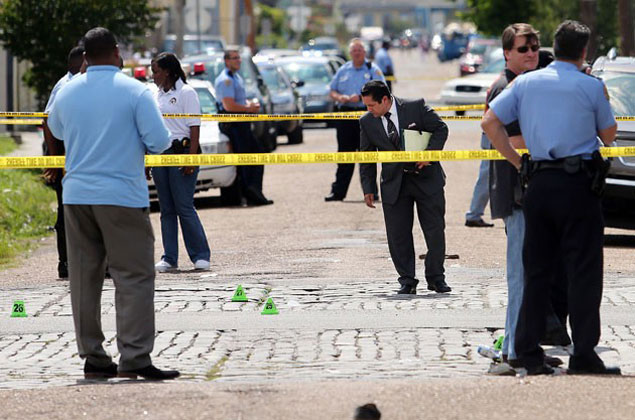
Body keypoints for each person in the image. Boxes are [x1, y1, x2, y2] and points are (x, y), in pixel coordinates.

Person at [482, 20, 619, 375]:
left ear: (553, 48)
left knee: (536, 271)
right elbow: (608, 134)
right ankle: (584, 354)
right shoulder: (591, 86)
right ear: (584, 51)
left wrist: (518, 162)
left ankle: (526, 351)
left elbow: (489, 123)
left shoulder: (526, 83)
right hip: (578, 186)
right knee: (583, 272)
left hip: (538, 183)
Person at [47, 27, 179, 380]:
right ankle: (135, 355)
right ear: (117, 52)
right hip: (121, 196)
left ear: (86, 56)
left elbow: (57, 131)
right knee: (133, 275)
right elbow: (159, 142)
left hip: (76, 197)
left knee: (83, 278)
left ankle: (93, 356)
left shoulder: (67, 90)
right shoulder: (136, 92)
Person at [360, 80, 451, 295]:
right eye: (366, 106)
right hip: (394, 184)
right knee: (398, 235)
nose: (368, 110)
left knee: (435, 231)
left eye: (371, 105)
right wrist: (368, 187)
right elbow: (366, 157)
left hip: (427, 180)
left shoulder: (415, 107)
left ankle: (436, 277)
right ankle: (407, 280)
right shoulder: (367, 122)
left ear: (385, 100)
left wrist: (429, 154)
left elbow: (441, 128)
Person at [149, 52, 211, 273]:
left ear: (167, 71)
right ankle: (169, 257)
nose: (153, 76)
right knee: (166, 208)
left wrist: (191, 158)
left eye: (155, 71)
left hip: (182, 150)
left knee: (184, 206)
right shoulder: (155, 95)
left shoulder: (187, 92)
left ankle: (201, 255)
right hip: (160, 154)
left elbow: (195, 128)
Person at [42, 45, 85, 279]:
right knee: (66, 212)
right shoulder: (66, 86)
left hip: (79, 158)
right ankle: (66, 263)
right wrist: (54, 158)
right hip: (68, 160)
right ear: (81, 64)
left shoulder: (77, 84)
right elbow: (47, 122)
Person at [325, 38, 384, 202]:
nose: (357, 53)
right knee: (344, 155)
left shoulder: (373, 69)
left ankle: (371, 191)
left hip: (365, 115)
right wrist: (341, 97)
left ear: (364, 52)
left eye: (360, 50)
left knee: (367, 156)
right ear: (350, 53)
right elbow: (331, 91)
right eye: (354, 51)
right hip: (345, 115)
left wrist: (361, 97)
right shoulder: (343, 70)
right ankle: (338, 192)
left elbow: (382, 90)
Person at [214, 48, 272, 206]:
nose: (238, 60)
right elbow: (229, 105)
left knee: (255, 156)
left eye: (239, 58)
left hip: (242, 124)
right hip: (234, 125)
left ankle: (254, 192)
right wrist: (248, 109)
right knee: (247, 159)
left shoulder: (236, 77)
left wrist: (250, 104)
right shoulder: (226, 79)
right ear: (226, 61)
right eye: (234, 58)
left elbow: (238, 101)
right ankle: (251, 194)